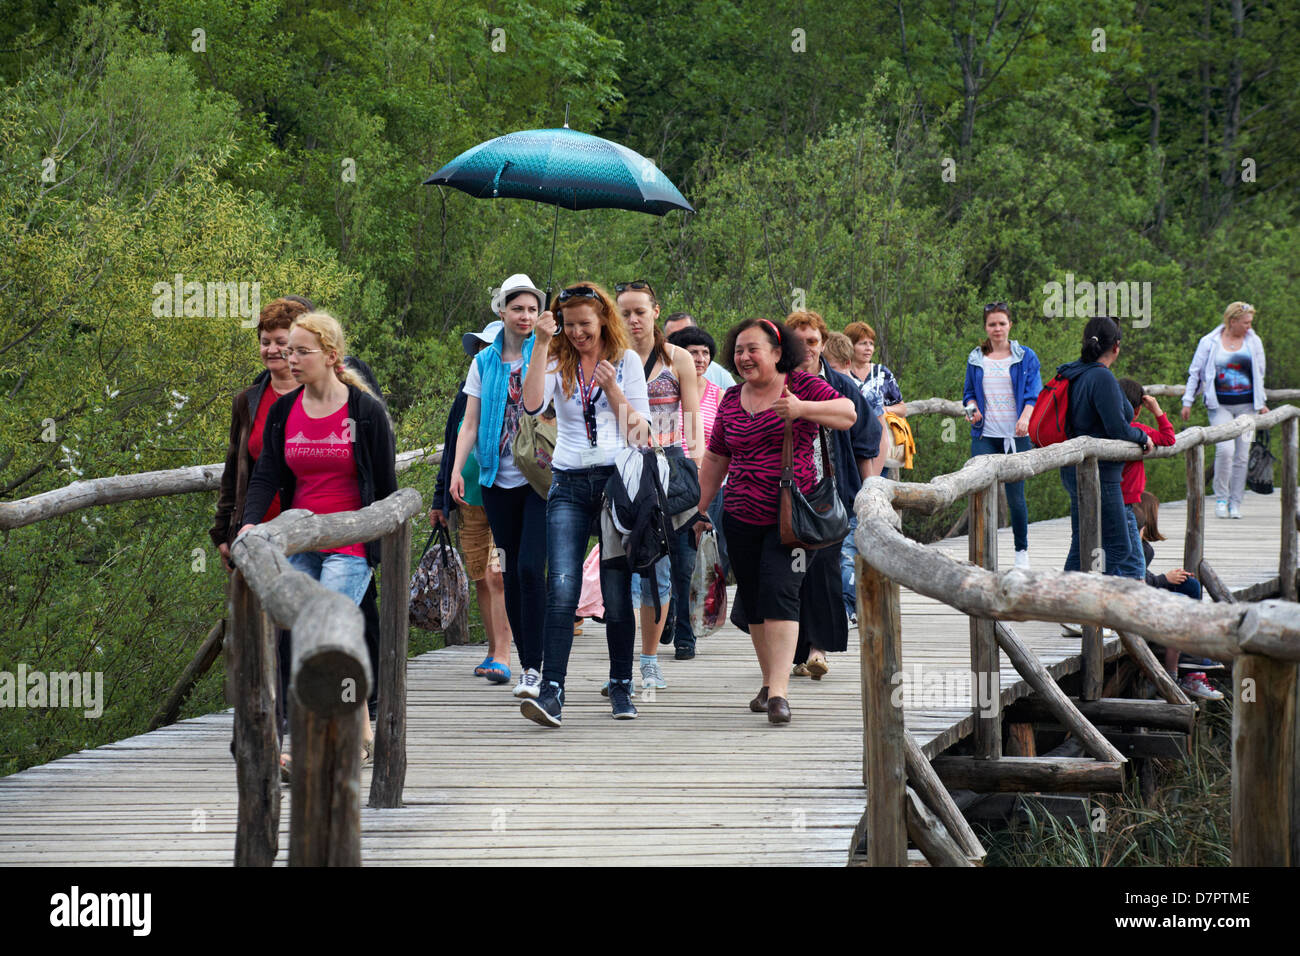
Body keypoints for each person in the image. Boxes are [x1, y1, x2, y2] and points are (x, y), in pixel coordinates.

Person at [238, 310, 397, 768]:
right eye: (287, 351)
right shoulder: (285, 411)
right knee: (297, 632)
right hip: (300, 538)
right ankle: (348, 723)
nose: (290, 359)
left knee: (322, 632)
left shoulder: (364, 412)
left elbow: (385, 489)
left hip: (350, 541)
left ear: (330, 356)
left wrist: (376, 547)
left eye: (300, 351)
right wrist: (250, 524)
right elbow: (267, 473)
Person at [695, 318, 857, 724]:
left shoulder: (800, 385)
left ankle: (780, 695)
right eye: (739, 350)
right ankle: (769, 682)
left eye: (754, 349)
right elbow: (716, 457)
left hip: (793, 519)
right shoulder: (732, 399)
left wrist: (802, 410)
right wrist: (699, 509)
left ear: (778, 352)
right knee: (754, 599)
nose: (744, 357)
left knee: (782, 590)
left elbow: (848, 413)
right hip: (741, 517)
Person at [518, 282, 652, 726]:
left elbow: (640, 434)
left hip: (615, 482)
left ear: (603, 321)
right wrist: (539, 343)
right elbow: (533, 405)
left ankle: (621, 684)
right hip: (569, 481)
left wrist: (613, 391)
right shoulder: (556, 358)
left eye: (585, 325)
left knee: (616, 592)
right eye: (569, 324)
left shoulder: (626, 360)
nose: (577, 333)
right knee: (561, 585)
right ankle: (552, 690)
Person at [448, 275, 550, 699]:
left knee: (530, 568)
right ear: (502, 312)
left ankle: (538, 662)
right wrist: (456, 469)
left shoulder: (546, 351)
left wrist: (542, 346)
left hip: (539, 479)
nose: (525, 316)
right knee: (508, 569)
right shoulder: (484, 362)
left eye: (532, 309)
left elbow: (545, 404)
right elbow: (468, 422)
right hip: (494, 479)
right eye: (517, 309)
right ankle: (527, 663)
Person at [785, 311, 878, 677]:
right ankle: (793, 652)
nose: (806, 349)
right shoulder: (773, 383)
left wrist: (869, 496)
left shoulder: (842, 385)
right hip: (785, 497)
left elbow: (867, 440)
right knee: (791, 573)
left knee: (824, 571)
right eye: (798, 341)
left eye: (812, 341)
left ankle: (818, 649)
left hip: (830, 495)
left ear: (824, 343)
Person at [619, 281, 701, 679]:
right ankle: (624, 661)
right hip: (622, 467)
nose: (633, 320)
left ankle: (649, 662)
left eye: (639, 311)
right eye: (624, 313)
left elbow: (693, 422)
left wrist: (697, 476)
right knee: (620, 563)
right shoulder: (612, 358)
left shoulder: (678, 359)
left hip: (667, 466)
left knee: (660, 565)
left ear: (656, 310)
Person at [430, 319, 514, 685]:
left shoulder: (517, 389)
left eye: (489, 346)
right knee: (481, 575)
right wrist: (439, 501)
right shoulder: (465, 395)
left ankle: (506, 652)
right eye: (479, 347)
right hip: (469, 499)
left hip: (507, 493)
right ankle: (494, 648)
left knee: (500, 573)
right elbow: (452, 449)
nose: (482, 353)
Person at [1054, 316, 1155, 576]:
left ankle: (1065, 599)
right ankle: (1078, 597)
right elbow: (1117, 428)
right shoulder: (1102, 377)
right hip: (1101, 475)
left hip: (1073, 469)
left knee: (1082, 543)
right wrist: (1143, 438)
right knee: (1120, 546)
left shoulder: (1074, 371)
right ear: (1117, 346)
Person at [961, 303, 1043, 569]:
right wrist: (971, 410)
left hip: (1016, 434)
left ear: (1010, 325)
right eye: (992, 324)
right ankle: (982, 555)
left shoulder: (1025, 356)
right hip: (985, 434)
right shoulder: (976, 358)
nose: (997, 329)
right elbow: (968, 395)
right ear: (985, 327)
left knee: (1016, 496)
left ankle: (1022, 553)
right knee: (980, 491)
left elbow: (1034, 392)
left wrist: (1025, 418)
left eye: (1001, 323)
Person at [1132, 492, 1224, 701]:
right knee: (1181, 606)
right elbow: (1134, 581)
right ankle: (1189, 666)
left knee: (1190, 585)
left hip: (1143, 594)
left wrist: (1168, 578)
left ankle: (1193, 662)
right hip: (1135, 603)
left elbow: (1141, 575)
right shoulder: (1135, 546)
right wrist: (1164, 579)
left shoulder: (1144, 547)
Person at [1180, 301, 1267, 519]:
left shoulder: (1253, 341)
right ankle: (1221, 497)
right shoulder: (1209, 342)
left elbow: (1260, 372)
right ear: (1233, 320)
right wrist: (1188, 400)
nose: (1249, 326)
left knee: (1242, 455)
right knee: (1225, 450)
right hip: (1219, 406)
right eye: (1245, 322)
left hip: (1248, 407)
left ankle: (1235, 502)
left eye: (1250, 322)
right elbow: (1195, 372)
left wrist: (1262, 401)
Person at [668, 325, 730, 582]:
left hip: (709, 483)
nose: (701, 359)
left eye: (705, 353)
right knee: (673, 552)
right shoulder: (667, 393)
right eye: (693, 352)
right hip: (672, 481)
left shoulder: (720, 396)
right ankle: (672, 616)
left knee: (705, 549)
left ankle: (703, 611)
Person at [1117, 379, 1177, 581]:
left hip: (1107, 499)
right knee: (1136, 561)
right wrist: (1157, 411)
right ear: (1137, 410)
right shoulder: (1138, 430)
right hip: (1128, 504)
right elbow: (1169, 438)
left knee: (1114, 553)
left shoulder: (1105, 429)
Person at [843, 321, 905, 474]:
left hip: (879, 447)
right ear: (850, 346)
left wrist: (882, 409)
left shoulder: (882, 373)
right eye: (863, 343)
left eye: (871, 343)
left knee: (876, 491)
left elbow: (902, 408)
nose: (868, 348)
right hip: (849, 448)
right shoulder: (841, 372)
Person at [663, 311, 735, 389]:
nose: (678, 341)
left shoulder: (719, 374)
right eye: (672, 337)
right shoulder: (658, 372)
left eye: (686, 334)